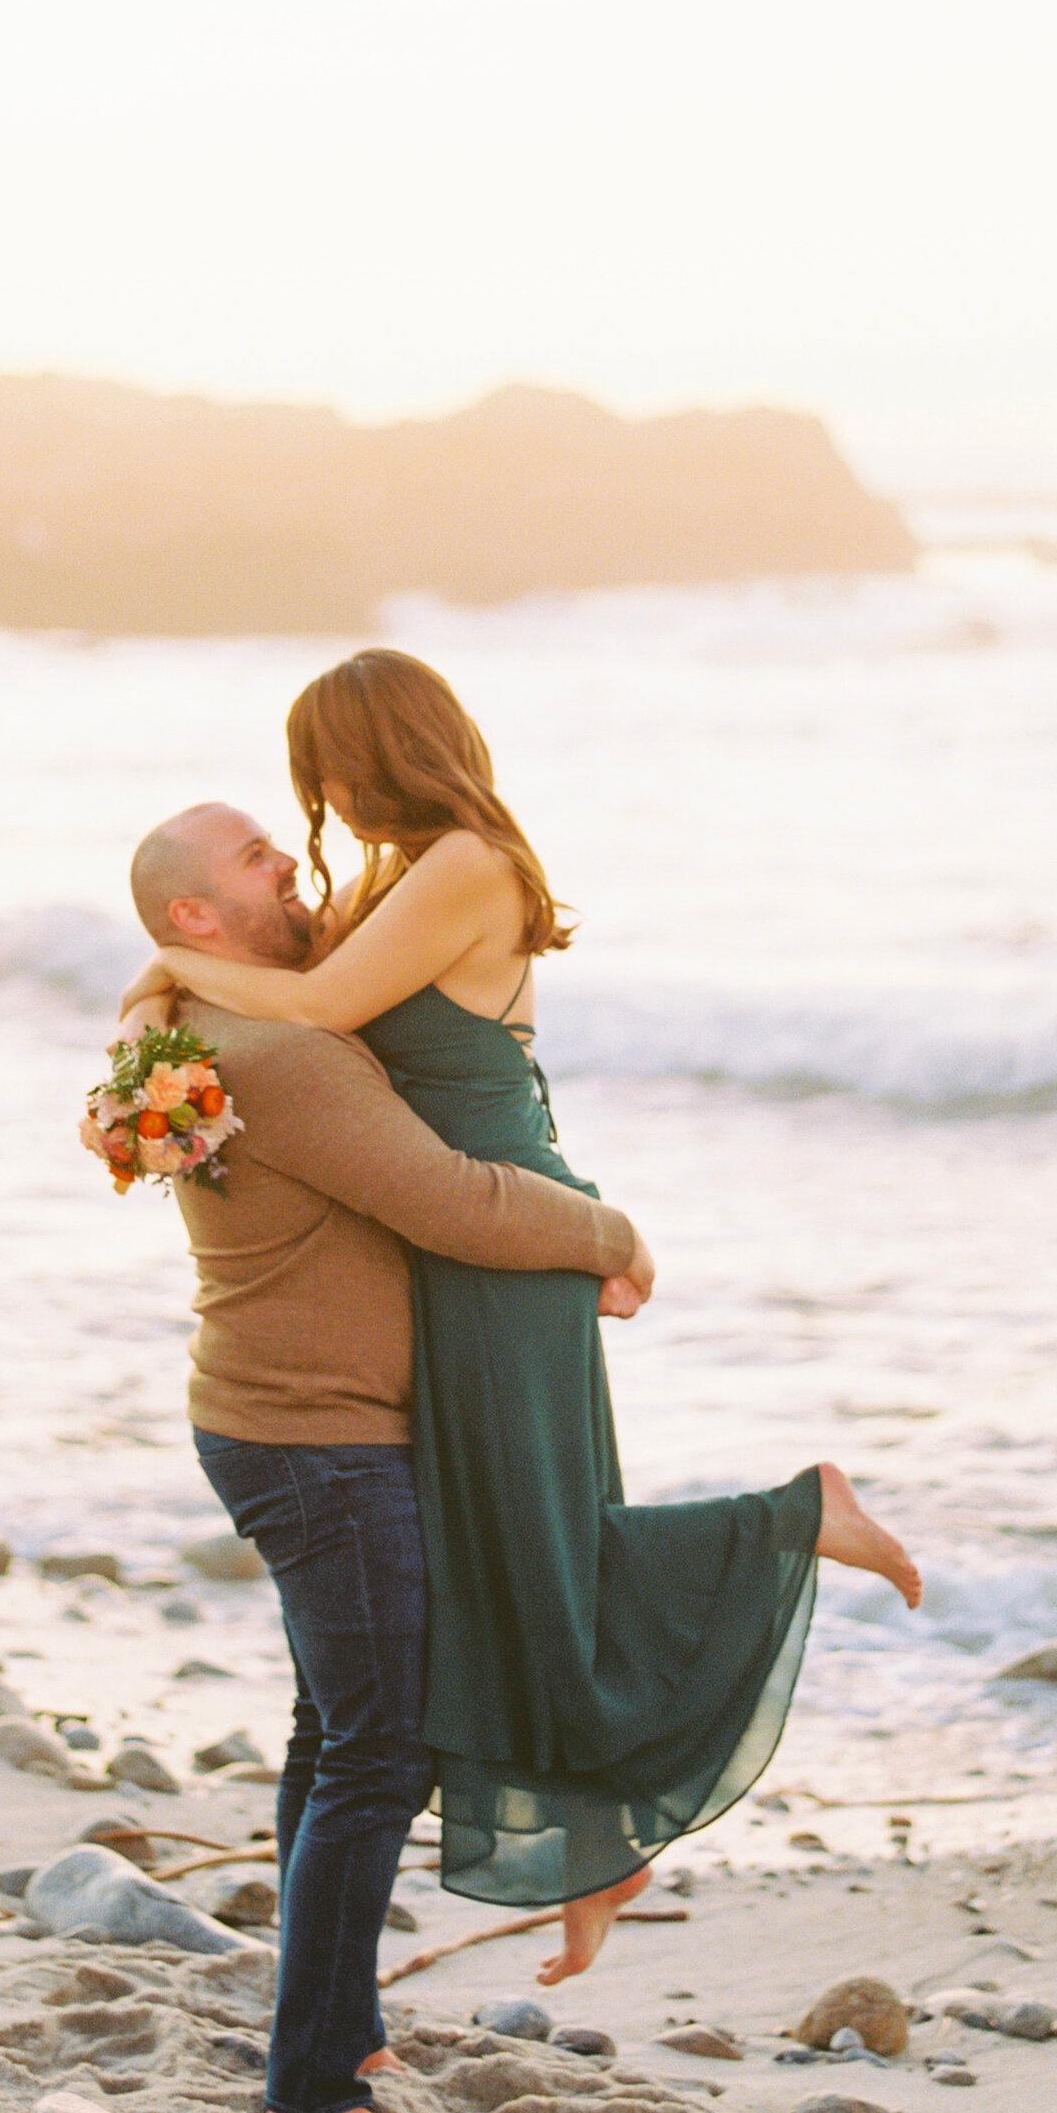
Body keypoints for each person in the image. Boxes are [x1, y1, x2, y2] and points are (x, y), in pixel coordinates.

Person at [120, 649, 921, 1995]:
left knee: (543, 1554)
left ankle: (798, 1517)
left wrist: (157, 971)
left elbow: (309, 1009)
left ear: (377, 754)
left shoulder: (466, 865)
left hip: (501, 1229)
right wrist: (167, 1001)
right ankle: (596, 1854)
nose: (315, 804)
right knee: (512, 1567)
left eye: (321, 774)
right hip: (456, 1243)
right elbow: (291, 991)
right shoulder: (391, 874)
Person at [80, 797, 654, 2113]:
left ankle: (334, 2028)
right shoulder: (281, 1054)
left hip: (276, 1423)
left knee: (331, 1732)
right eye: (258, 861)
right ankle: (312, 2087)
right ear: (195, 921)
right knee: (379, 1750)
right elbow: (458, 1202)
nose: (295, 865)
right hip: (322, 1444)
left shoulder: (179, 1028)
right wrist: (615, 1232)